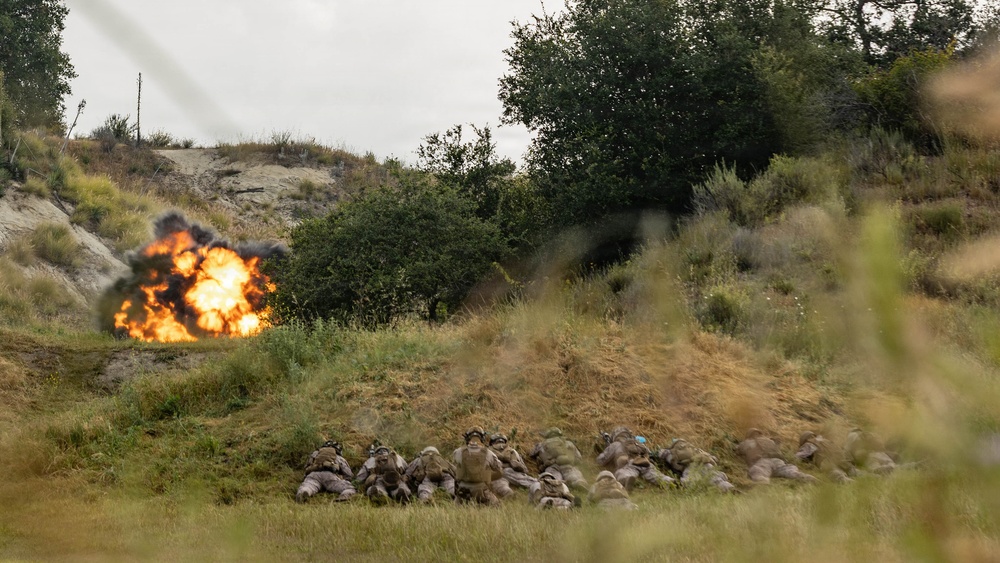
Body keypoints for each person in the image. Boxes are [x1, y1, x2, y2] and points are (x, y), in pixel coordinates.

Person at [596, 426, 674, 491]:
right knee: (655, 475)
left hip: (629, 465)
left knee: (622, 473)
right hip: (645, 463)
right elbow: (649, 453)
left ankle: (626, 480)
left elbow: (601, 460)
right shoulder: (637, 443)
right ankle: (670, 481)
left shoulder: (615, 444)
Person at [736, 428, 818, 485]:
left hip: (763, 462)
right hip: (778, 461)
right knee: (791, 472)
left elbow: (738, 449)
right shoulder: (769, 441)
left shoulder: (747, 442)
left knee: (758, 473)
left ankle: (763, 486)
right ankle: (809, 478)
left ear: (749, 436)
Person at [657, 438, 736, 493]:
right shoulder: (693, 448)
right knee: (716, 479)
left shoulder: (670, 452)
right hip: (706, 464)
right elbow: (713, 458)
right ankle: (730, 488)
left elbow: (660, 453)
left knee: (690, 484)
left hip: (690, 467)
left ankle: (706, 492)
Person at [453, 426, 504, 506]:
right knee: (498, 507)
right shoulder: (489, 453)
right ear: (482, 438)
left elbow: (456, 470)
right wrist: (486, 477)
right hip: (482, 491)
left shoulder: (458, 452)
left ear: (467, 438)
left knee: (454, 509)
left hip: (463, 491)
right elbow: (500, 472)